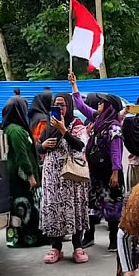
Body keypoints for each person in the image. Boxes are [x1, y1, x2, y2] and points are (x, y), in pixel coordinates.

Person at [69, 73, 125, 251]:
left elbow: (116, 150)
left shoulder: (114, 125)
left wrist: (116, 172)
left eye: (102, 103)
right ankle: (90, 236)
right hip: (95, 170)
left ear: (109, 107)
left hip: (110, 172)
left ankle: (113, 240)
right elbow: (81, 105)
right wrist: (74, 86)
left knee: (112, 206)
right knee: (92, 204)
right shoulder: (98, 119)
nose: (98, 104)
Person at [38, 93, 90, 264]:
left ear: (69, 106)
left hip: (71, 176)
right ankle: (55, 248)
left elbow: (81, 145)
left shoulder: (77, 124)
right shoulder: (48, 126)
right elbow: (38, 147)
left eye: (62, 105)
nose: (59, 109)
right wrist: (43, 146)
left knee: (73, 208)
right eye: (56, 105)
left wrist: (64, 131)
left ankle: (78, 246)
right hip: (52, 176)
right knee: (54, 209)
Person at [1, 96, 44, 247]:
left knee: (24, 206)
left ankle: (23, 238)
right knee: (24, 206)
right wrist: (30, 176)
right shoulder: (16, 131)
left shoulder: (15, 129)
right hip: (22, 177)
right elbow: (22, 155)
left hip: (21, 176)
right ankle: (27, 238)